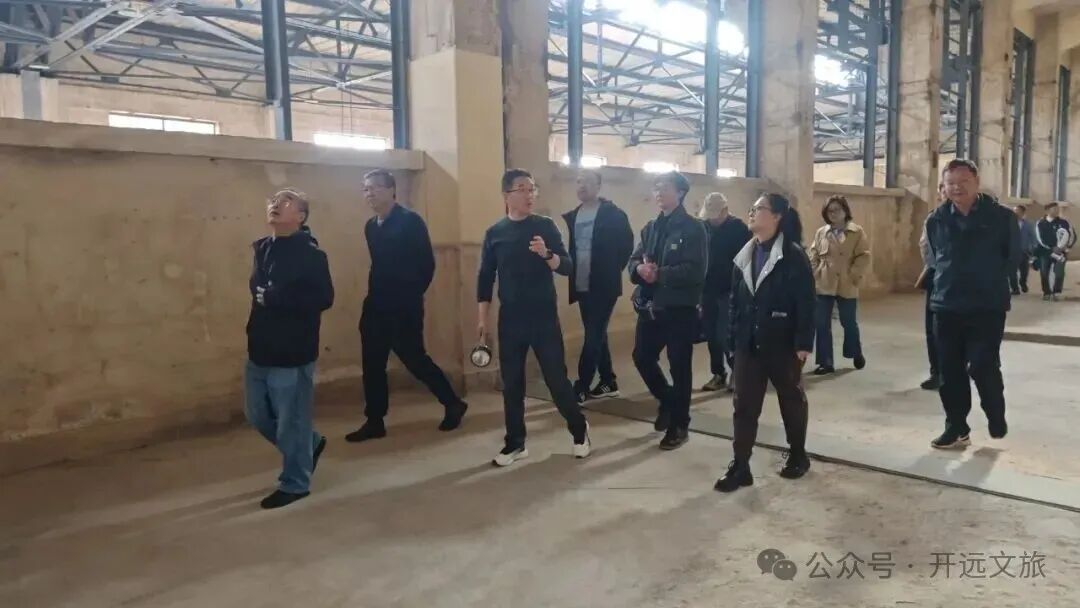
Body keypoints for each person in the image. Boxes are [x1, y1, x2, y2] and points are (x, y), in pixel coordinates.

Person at [478, 169, 591, 466]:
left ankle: (579, 430)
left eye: (532, 189)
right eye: (522, 189)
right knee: (512, 384)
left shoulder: (545, 226)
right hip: (510, 319)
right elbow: (485, 278)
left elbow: (567, 266)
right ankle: (515, 443)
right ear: (507, 195)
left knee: (556, 380)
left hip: (543, 318)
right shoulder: (495, 233)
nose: (529, 195)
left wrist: (547, 255)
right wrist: (483, 319)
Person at [346, 170, 468, 443]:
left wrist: (409, 296)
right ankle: (375, 420)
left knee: (415, 359)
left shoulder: (410, 222)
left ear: (392, 190)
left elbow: (426, 265)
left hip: (404, 306)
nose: (369, 193)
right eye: (365, 189)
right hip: (375, 305)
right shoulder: (370, 226)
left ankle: (452, 403)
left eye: (375, 188)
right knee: (372, 363)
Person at [714, 193, 815, 493]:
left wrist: (803, 343)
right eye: (752, 208)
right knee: (744, 405)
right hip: (748, 342)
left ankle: (798, 454)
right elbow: (735, 303)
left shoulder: (793, 256)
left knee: (790, 399)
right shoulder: (744, 255)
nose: (752, 213)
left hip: (782, 342)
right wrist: (732, 340)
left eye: (759, 209)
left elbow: (806, 302)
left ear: (777, 216)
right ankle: (740, 465)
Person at [244, 189, 335, 509]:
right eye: (272, 201)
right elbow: (258, 293)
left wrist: (276, 298)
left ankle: (296, 483)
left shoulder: (311, 256)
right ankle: (310, 443)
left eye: (285, 202)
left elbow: (324, 298)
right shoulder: (262, 248)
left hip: (292, 351)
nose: (275, 205)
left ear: (300, 216)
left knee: (291, 422)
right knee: (258, 415)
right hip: (260, 348)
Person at [922, 159, 1020, 449]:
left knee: (982, 365)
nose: (957, 188)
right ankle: (956, 427)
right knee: (949, 371)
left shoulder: (1001, 217)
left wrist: (987, 279)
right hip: (946, 306)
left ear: (977, 182)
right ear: (944, 186)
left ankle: (995, 413)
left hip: (986, 306)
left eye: (963, 182)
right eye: (951, 183)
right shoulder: (936, 219)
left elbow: (1013, 257)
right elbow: (933, 257)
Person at [627, 171, 708, 450]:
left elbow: (696, 270)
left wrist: (659, 274)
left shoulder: (694, 229)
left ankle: (679, 424)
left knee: (679, 366)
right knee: (642, 357)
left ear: (681, 192)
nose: (659, 192)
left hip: (679, 308)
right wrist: (639, 269)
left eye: (665, 187)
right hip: (651, 307)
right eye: (656, 187)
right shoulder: (651, 227)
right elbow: (634, 260)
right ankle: (669, 400)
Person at [561, 169, 635, 404]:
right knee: (597, 334)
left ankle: (581, 386)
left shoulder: (613, 215)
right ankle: (608, 381)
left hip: (604, 285)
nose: (582, 186)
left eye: (587, 182)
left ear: (599, 186)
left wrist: (611, 269)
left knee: (592, 335)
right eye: (578, 181)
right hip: (581, 284)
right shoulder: (575, 215)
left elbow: (627, 246)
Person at [808, 195, 871, 375]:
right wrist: (815, 271)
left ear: (845, 211)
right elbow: (813, 253)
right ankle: (825, 362)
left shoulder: (856, 232)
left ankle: (855, 352)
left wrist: (854, 274)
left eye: (837, 210)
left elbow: (864, 255)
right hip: (824, 282)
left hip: (846, 282)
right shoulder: (821, 232)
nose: (833, 214)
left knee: (848, 321)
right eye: (830, 211)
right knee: (821, 323)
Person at [698, 192, 751, 391]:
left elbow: (746, 261)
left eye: (716, 215)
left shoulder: (739, 229)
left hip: (729, 289)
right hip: (707, 289)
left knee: (725, 334)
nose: (712, 219)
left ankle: (737, 372)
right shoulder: (704, 227)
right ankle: (718, 373)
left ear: (725, 210)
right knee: (711, 334)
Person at [916, 182, 947, 391]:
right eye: (946, 189)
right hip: (937, 277)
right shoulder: (933, 219)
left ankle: (955, 370)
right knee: (932, 329)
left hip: (963, 282)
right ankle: (937, 372)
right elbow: (925, 247)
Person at [1034, 202, 1076, 301]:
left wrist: (1066, 247)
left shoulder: (1064, 222)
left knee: (1059, 272)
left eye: (1057, 209)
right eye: (1054, 209)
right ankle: (1046, 292)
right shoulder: (1040, 223)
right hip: (1045, 252)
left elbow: (1072, 236)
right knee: (1044, 272)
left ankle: (1056, 292)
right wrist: (1051, 248)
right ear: (1047, 211)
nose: (1057, 211)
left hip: (1061, 253)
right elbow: (1040, 238)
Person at [1010, 204, 1037, 295]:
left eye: (1018, 211)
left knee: (1024, 271)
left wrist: (1032, 248)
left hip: (1024, 251)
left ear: (1023, 213)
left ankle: (1023, 282)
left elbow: (1033, 237)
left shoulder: (1028, 224)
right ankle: (1015, 289)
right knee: (1011, 271)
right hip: (1012, 251)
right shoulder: (1009, 223)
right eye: (1014, 211)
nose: (1016, 213)